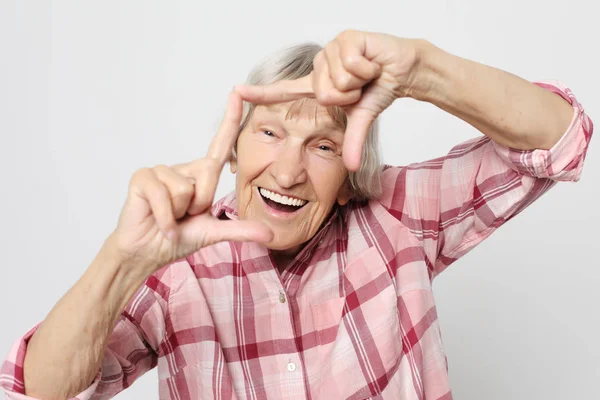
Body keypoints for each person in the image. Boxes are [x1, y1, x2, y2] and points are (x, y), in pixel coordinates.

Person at [0, 30, 593, 400]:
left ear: (349, 181)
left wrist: (420, 70)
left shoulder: (396, 217)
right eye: (269, 133)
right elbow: (36, 391)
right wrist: (122, 259)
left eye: (323, 146)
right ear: (231, 148)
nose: (287, 172)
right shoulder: (174, 266)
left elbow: (560, 138)